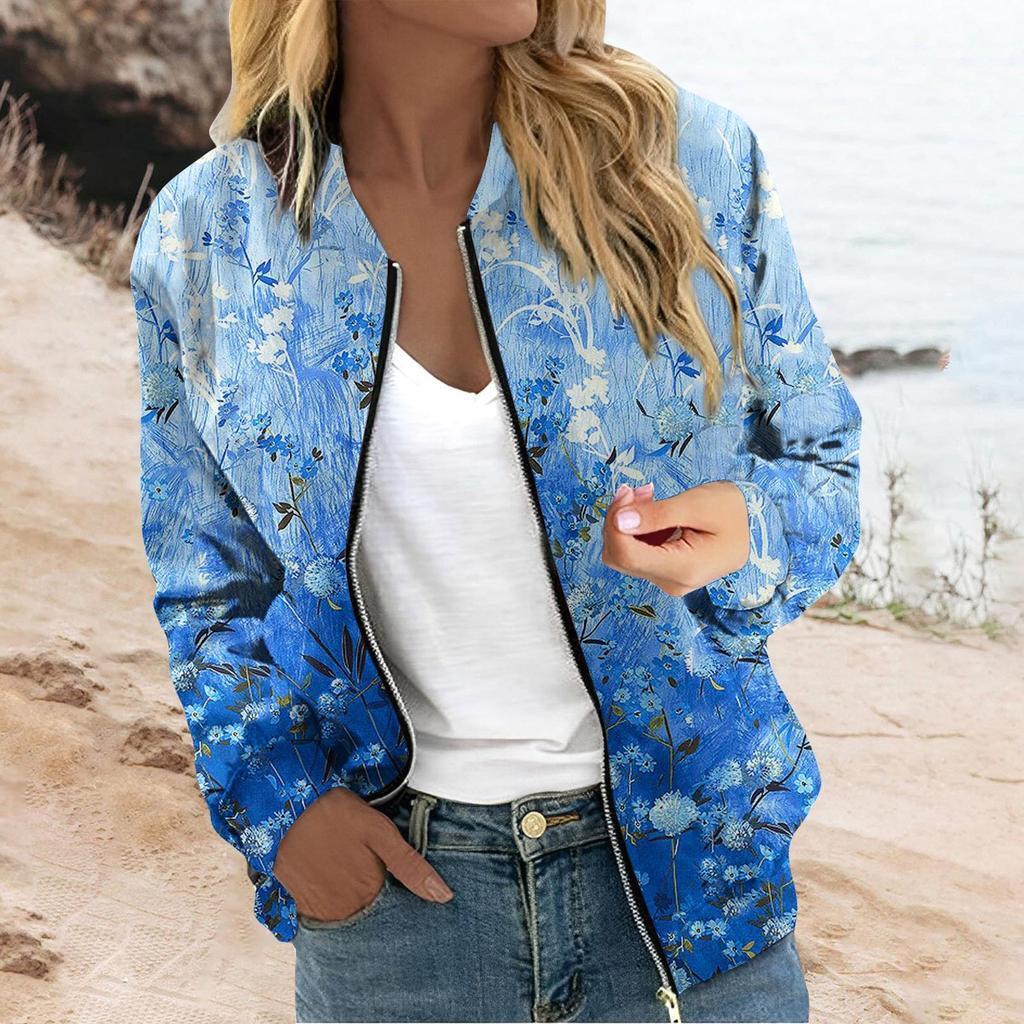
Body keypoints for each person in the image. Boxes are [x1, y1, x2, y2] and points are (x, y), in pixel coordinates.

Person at [129, 1, 861, 1021]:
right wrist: (280, 805)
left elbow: (822, 471)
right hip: (399, 915)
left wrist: (746, 532)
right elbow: (208, 579)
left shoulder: (683, 159)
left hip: (691, 888)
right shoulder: (206, 233)